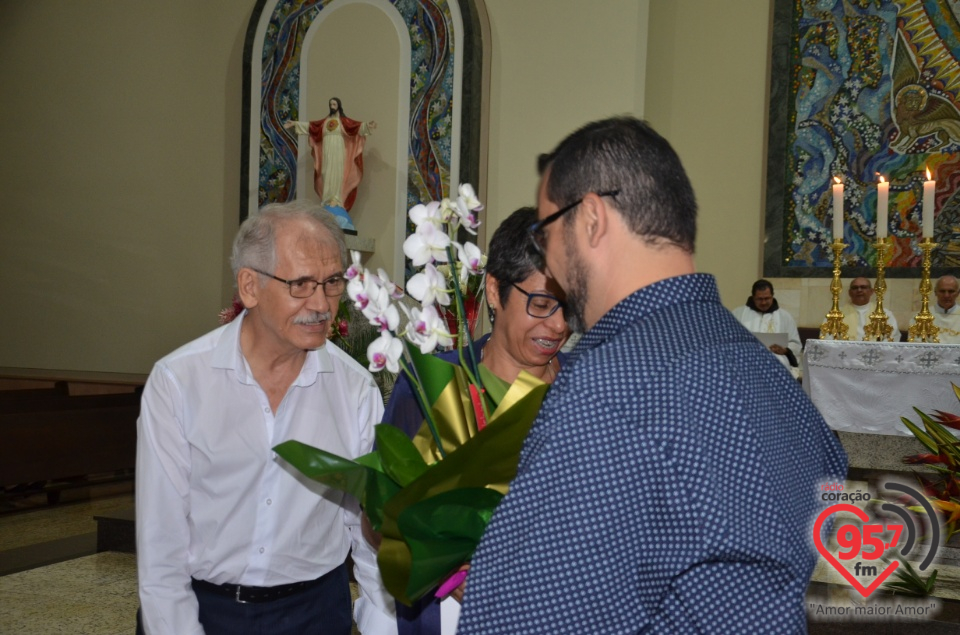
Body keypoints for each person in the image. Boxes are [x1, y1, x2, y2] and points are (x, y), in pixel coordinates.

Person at [456, 117, 847, 634]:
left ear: (591, 218)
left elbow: (516, 621)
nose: (547, 254)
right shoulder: (763, 371)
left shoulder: (609, 388)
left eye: (545, 231)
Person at [136, 201, 396, 635]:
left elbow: (368, 528)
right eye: (301, 284)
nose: (322, 304)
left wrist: (383, 625)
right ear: (249, 287)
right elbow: (161, 544)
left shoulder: (354, 389)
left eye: (332, 283)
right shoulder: (180, 381)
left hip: (316, 611)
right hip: (204, 610)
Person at [383, 207, 571, 635]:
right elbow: (380, 518)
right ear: (493, 290)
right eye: (541, 304)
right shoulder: (430, 388)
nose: (559, 325)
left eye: (569, 305)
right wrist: (453, 574)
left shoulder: (593, 390)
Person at [285, 98, 377, 231]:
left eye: (334, 104)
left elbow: (355, 127)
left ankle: (336, 199)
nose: (332, 106)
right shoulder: (325, 122)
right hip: (327, 153)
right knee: (326, 174)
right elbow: (311, 126)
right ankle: (327, 200)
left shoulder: (343, 122)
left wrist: (368, 125)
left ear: (339, 105)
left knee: (337, 175)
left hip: (339, 152)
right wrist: (295, 124)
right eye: (330, 105)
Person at [732, 279, 802, 371]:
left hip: (776, 360)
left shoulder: (785, 316)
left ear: (772, 296)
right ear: (753, 297)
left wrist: (785, 350)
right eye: (760, 299)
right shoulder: (738, 314)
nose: (764, 302)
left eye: (767, 298)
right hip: (746, 359)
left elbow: (795, 343)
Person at [841, 276, 899, 341]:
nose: (859, 290)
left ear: (871, 291)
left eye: (863, 287)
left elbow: (892, 335)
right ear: (849, 292)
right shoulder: (839, 314)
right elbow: (830, 337)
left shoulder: (884, 314)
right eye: (855, 288)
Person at [932, 274, 960, 343]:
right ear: (935, 292)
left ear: (958, 293)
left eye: (951, 291)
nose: (946, 295)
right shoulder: (922, 317)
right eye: (942, 291)